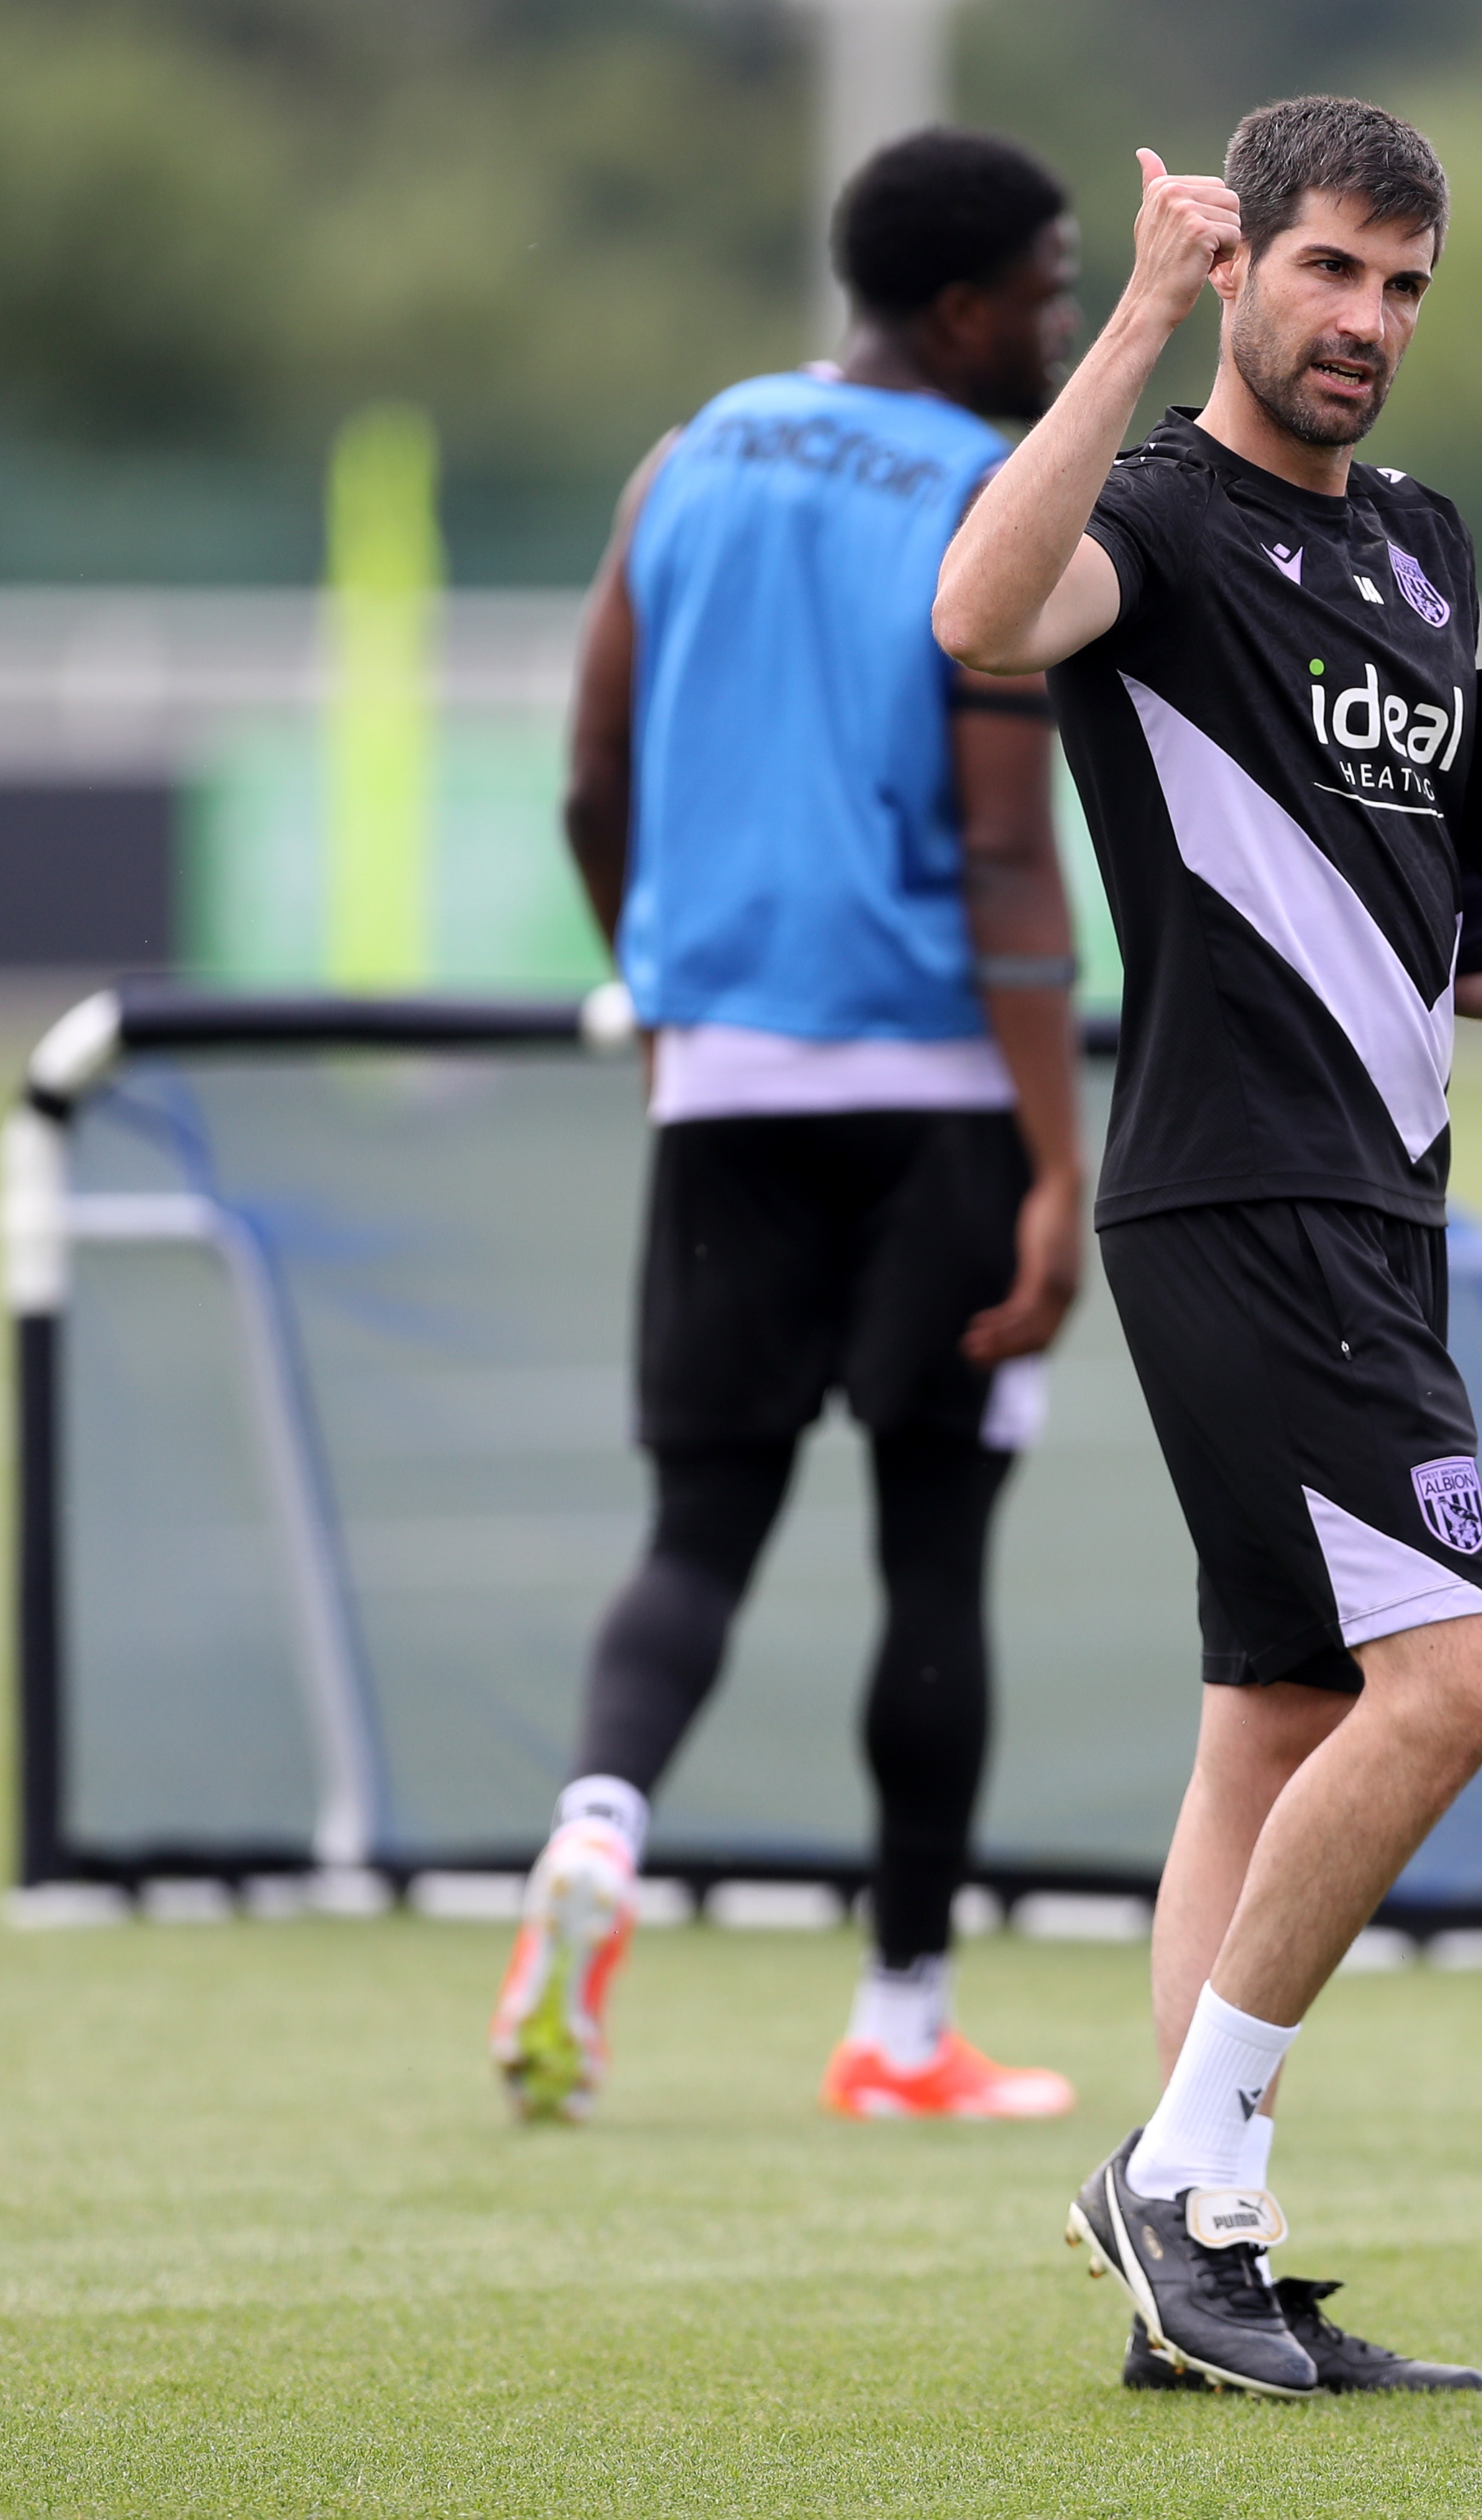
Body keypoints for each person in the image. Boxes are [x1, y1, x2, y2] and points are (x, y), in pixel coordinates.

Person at [931, 96, 1482, 2393]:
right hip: (1238, 1192)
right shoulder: (1152, 529)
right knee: (1457, 1682)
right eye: (1328, 273)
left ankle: (1214, 2246)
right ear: (1243, 269)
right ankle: (1174, 2176)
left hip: (1379, 1206)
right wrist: (1140, 323)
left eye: (1403, 287)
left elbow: (1453, 928)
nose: (1368, 321)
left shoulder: (1428, 554)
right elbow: (979, 612)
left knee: (1278, 1718)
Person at [489, 128, 1092, 2129]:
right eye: (1048, 287)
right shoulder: (991, 496)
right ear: (959, 309)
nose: (1066, 319)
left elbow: (590, 772)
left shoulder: (689, 456)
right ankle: (901, 2026)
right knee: (933, 1555)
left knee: (698, 1533)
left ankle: (592, 1832)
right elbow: (1008, 859)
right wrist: (1056, 1164)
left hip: (727, 1073)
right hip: (932, 1090)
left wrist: (661, 1001)